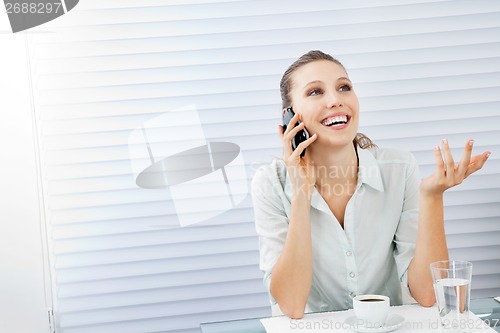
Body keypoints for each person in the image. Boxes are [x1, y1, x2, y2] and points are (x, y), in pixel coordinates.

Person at [251, 50, 491, 319]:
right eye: (315, 92)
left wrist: (432, 196)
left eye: (344, 87)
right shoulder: (270, 182)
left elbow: (426, 294)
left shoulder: (399, 169)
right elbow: (292, 305)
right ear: (289, 116)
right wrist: (301, 191)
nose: (335, 100)